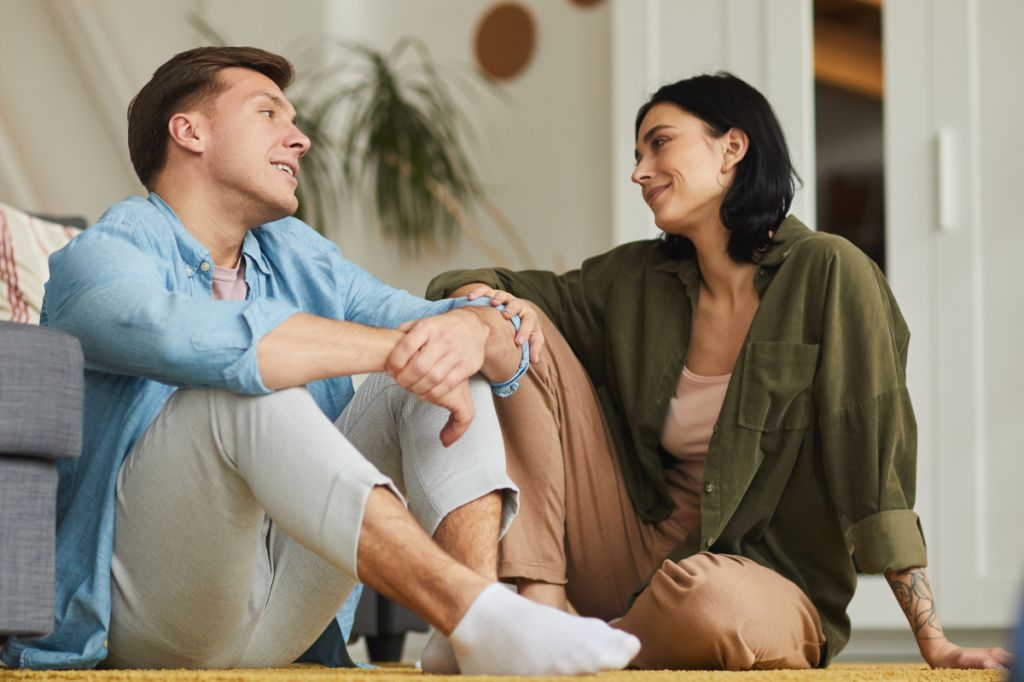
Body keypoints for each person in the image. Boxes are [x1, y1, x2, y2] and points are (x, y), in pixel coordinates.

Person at [0, 46, 641, 674]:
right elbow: (204, 343)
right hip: (151, 615)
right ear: (189, 131)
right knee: (242, 391)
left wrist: (476, 325)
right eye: (269, 114)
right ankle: (476, 611)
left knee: (444, 358)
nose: (299, 138)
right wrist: (404, 347)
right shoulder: (101, 258)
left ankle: (470, 638)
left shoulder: (294, 253)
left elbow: (451, 331)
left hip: (286, 618)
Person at [427, 72, 1013, 671]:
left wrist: (933, 638)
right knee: (505, 331)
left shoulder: (829, 272)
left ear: (732, 148)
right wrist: (490, 305)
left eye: (660, 143)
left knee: (709, 603)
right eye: (637, 154)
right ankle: (543, 605)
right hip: (626, 550)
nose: (639, 172)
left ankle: (569, 641)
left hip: (762, 584)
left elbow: (874, 463)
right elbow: (476, 285)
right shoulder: (636, 279)